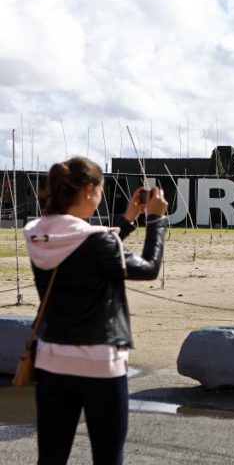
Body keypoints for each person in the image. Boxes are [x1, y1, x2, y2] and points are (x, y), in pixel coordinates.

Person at [23, 156, 168, 465]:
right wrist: (156, 220)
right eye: (101, 190)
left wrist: (127, 220)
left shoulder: (37, 233)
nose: (100, 196)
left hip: (51, 361)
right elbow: (149, 268)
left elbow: (88, 253)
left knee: (50, 458)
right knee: (107, 458)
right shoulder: (97, 242)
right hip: (100, 365)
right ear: (88, 189)